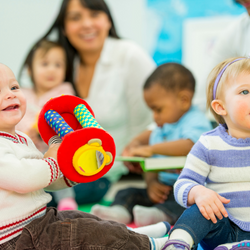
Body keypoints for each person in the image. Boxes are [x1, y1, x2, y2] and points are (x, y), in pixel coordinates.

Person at [0, 63, 173, 250]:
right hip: (18, 238)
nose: (10, 94)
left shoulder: (21, 138)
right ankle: (148, 245)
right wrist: (53, 160)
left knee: (85, 219)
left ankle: (133, 236)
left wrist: (72, 173)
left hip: (39, 220)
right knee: (85, 232)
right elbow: (25, 179)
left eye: (14, 87)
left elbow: (43, 182)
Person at [19, 0, 156, 207]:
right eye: (75, 18)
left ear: (108, 20)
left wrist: (148, 171)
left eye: (94, 14)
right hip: (57, 164)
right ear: (64, 28)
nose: (86, 24)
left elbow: (155, 122)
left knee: (27, 195)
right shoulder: (63, 65)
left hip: (104, 173)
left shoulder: (130, 55)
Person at [91, 63, 212, 227]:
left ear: (184, 100)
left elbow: (191, 145)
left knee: (188, 204)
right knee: (126, 192)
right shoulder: (160, 129)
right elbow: (150, 165)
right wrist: (152, 184)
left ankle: (160, 216)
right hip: (163, 188)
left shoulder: (195, 120)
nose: (154, 117)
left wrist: (151, 148)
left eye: (158, 109)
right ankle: (120, 212)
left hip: (188, 190)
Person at [161, 57, 250, 250]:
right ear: (221, 107)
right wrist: (199, 192)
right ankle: (179, 242)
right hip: (223, 227)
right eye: (245, 91)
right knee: (200, 210)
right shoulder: (208, 144)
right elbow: (182, 184)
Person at [16, 39, 78, 211]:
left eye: (58, 65)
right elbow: (15, 121)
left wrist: (39, 128)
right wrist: (28, 131)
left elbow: (67, 122)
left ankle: (67, 201)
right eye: (45, 64)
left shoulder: (64, 92)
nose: (52, 69)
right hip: (28, 151)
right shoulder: (23, 95)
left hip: (55, 150)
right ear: (30, 70)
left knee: (61, 166)